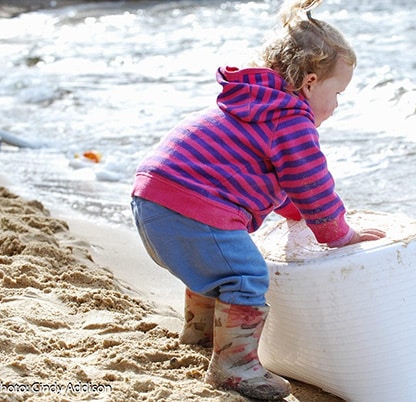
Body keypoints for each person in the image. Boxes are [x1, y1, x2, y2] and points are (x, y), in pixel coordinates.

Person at [130, 0, 386, 399]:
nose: (337, 106)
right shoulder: (291, 119)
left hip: (153, 201)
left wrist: (294, 213)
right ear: (310, 82)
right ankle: (233, 366)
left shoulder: (256, 104)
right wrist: (339, 234)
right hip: (189, 208)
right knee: (245, 275)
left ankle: (199, 334)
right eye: (338, 93)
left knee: (218, 267)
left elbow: (272, 179)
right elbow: (312, 182)